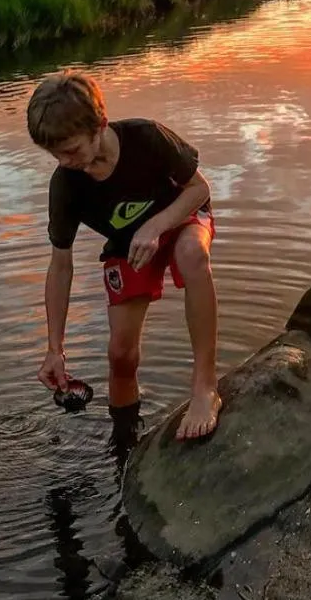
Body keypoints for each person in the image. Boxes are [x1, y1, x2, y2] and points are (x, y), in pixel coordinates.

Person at [26, 70, 221, 443]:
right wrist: (55, 349)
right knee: (120, 355)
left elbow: (200, 189)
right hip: (127, 244)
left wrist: (157, 226)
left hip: (180, 216)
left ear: (100, 124)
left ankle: (205, 389)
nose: (64, 161)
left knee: (192, 253)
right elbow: (60, 265)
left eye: (71, 150)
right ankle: (124, 445)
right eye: (54, 153)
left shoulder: (147, 137)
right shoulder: (66, 184)